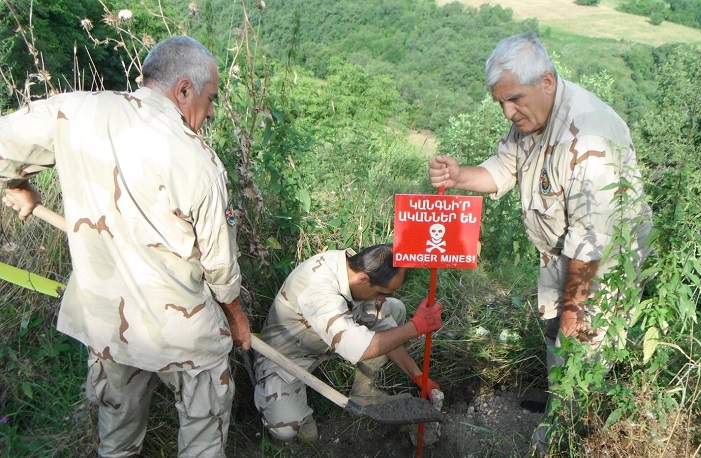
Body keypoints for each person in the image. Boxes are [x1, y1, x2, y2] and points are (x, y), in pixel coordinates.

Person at [0, 36, 250, 457]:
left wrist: (17, 184)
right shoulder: (200, 163)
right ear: (183, 89)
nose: (209, 113)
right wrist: (236, 318)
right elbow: (219, 268)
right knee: (203, 421)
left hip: (107, 320)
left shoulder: (75, 110)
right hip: (180, 329)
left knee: (116, 432)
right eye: (210, 99)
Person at [427, 34, 652, 453]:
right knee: (556, 331)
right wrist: (458, 176)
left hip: (605, 260)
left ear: (547, 81)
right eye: (500, 103)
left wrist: (573, 314)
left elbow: (591, 248)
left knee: (584, 340)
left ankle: (577, 433)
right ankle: (560, 410)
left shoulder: (589, 138)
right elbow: (500, 170)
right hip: (563, 248)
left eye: (514, 99)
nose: (508, 112)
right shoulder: (532, 116)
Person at [253, 244, 443, 443]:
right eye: (383, 293)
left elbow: (386, 331)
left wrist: (417, 375)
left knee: (395, 310)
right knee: (286, 430)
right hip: (287, 355)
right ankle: (291, 404)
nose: (383, 299)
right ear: (364, 280)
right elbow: (358, 348)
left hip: (326, 343)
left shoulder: (356, 270)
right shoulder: (319, 287)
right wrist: (415, 327)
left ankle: (364, 393)